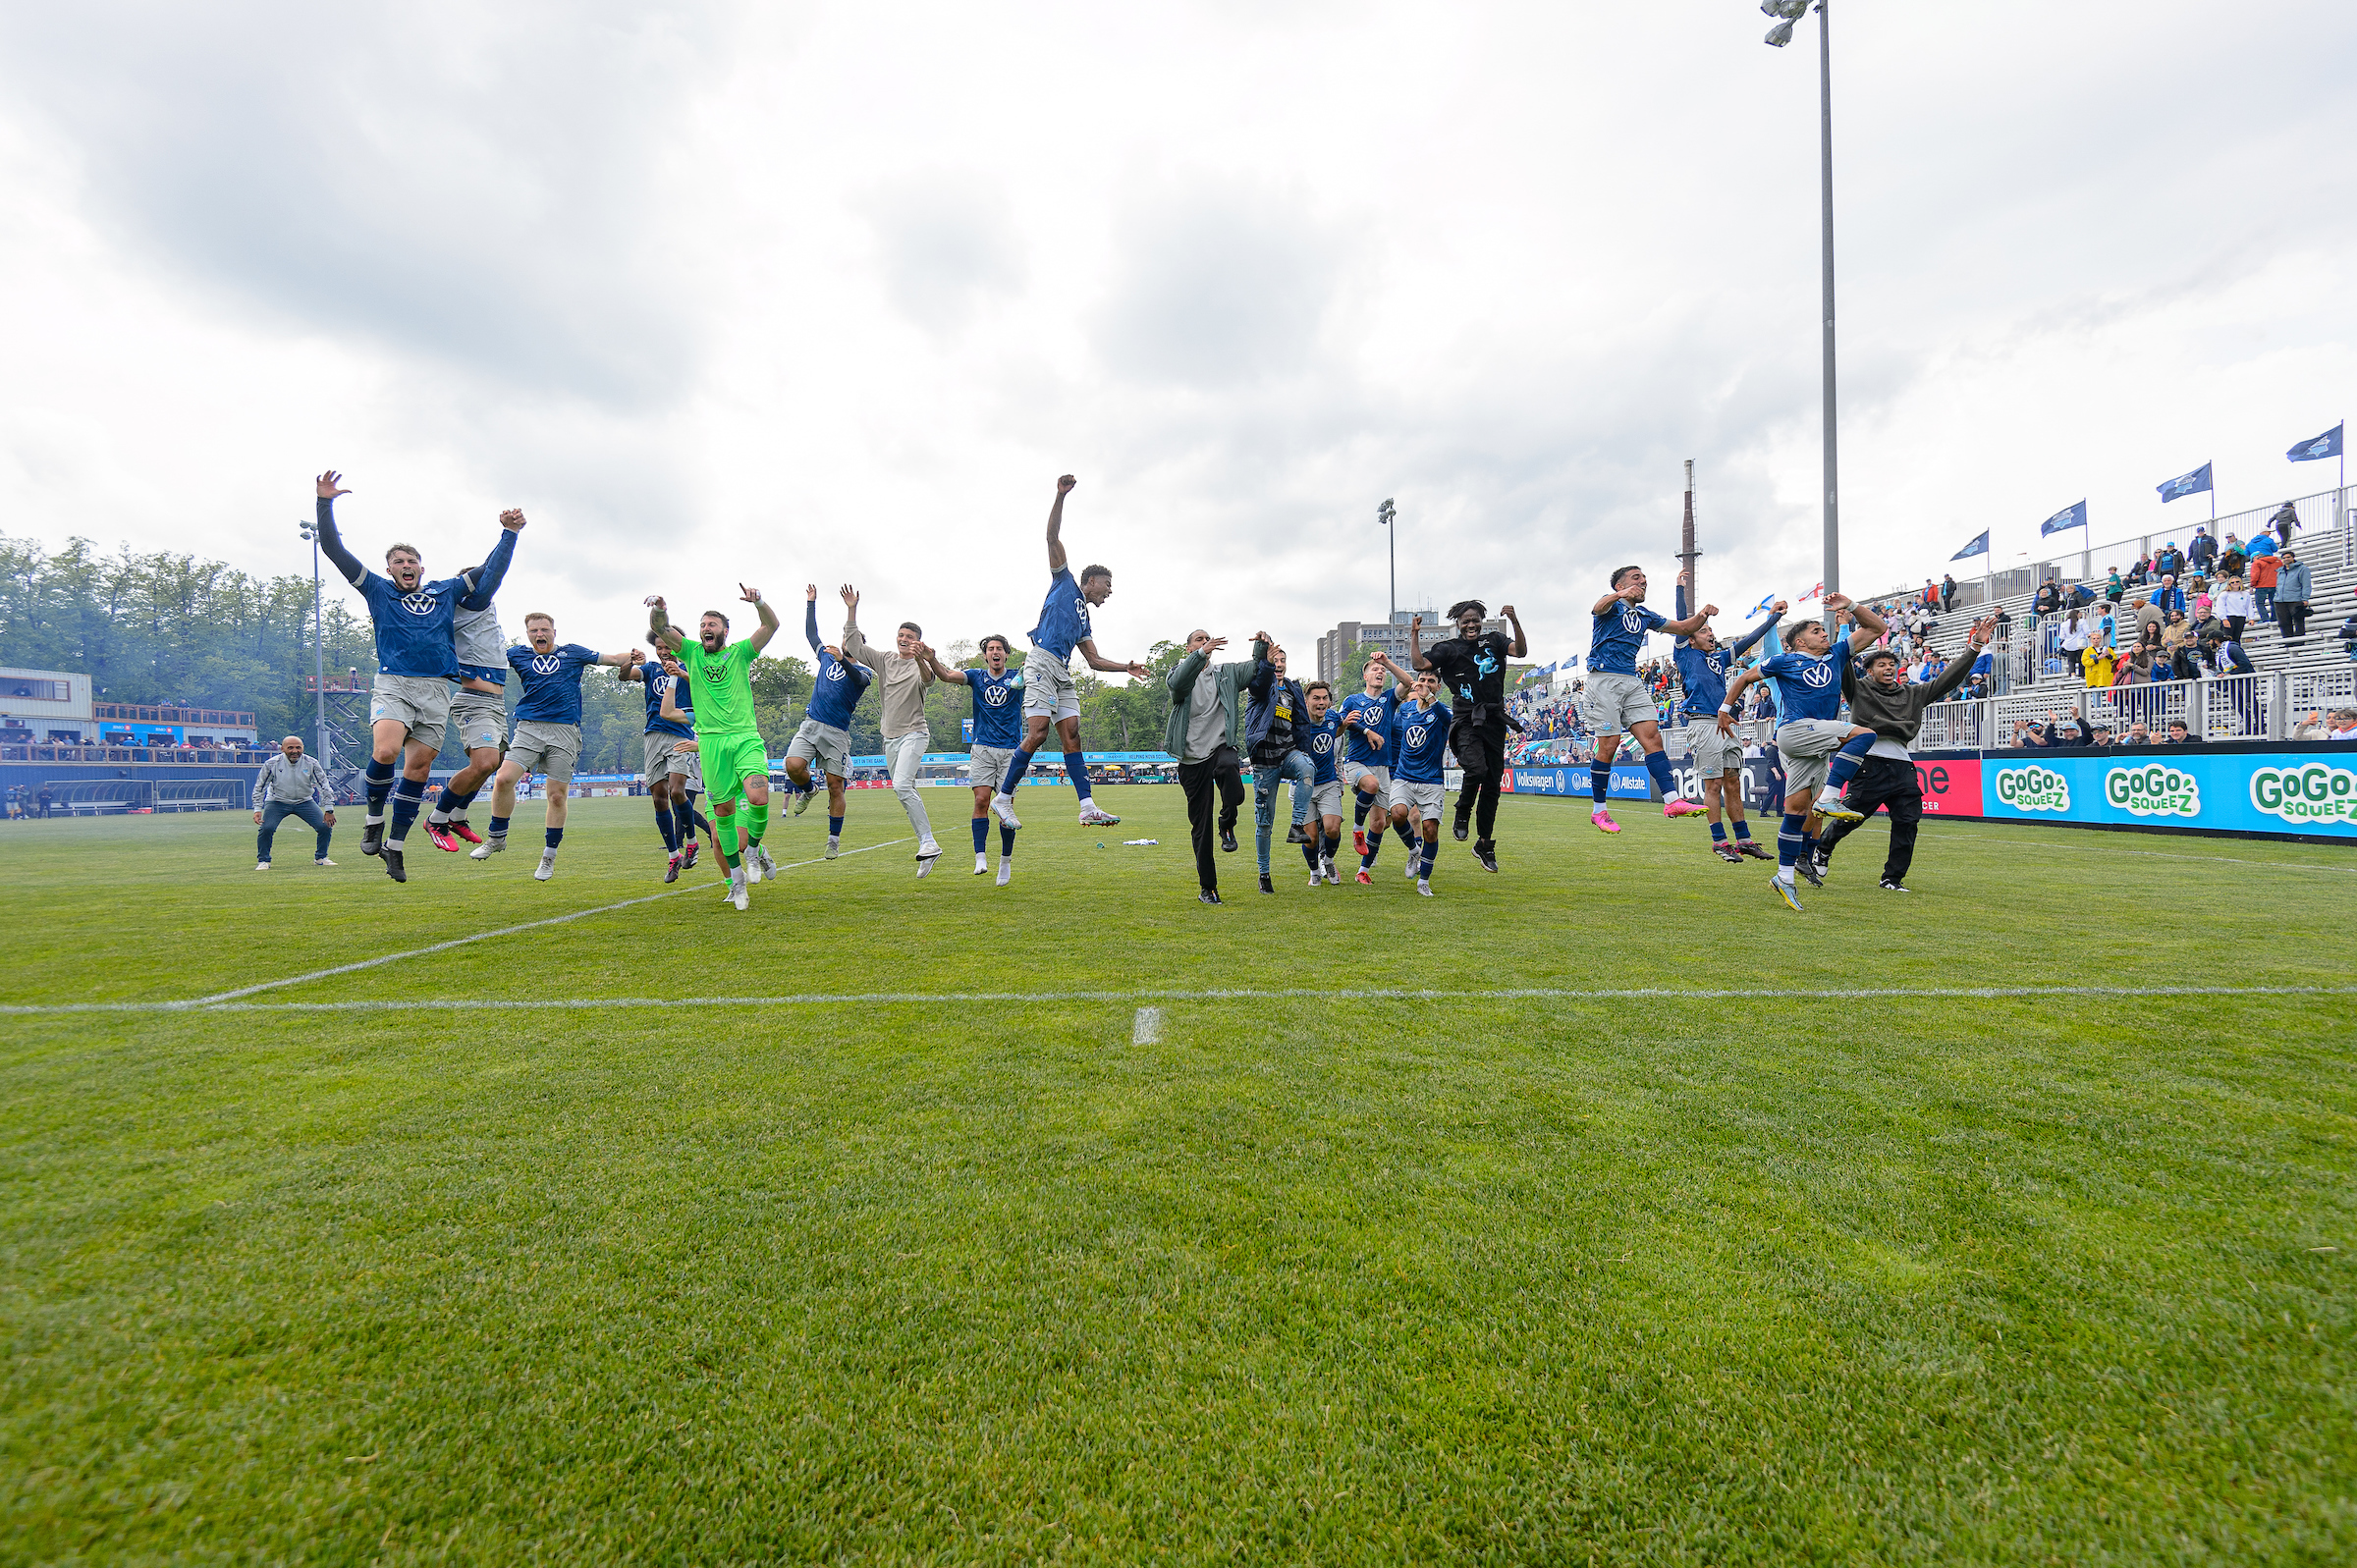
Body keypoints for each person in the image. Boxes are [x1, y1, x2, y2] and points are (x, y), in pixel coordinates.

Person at [310, 471, 521, 882]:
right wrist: (325, 503)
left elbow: (490, 574)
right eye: (398, 562)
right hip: (395, 682)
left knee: (419, 770)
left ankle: (396, 847)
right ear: (388, 569)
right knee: (386, 752)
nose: (405, 566)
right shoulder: (376, 589)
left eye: (411, 561)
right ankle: (374, 821)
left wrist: (509, 533)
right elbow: (335, 550)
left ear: (421, 567)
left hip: (436, 690)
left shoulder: (443, 591)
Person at [987, 475, 1152, 832]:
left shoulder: (1084, 620)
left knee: (1073, 733)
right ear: (1090, 581)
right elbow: (1051, 537)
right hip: (1041, 662)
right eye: (1107, 586)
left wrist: (1127, 667)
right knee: (1039, 732)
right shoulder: (1064, 582)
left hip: (1061, 671)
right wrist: (1060, 496)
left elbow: (1093, 660)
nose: (1109, 592)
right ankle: (1004, 796)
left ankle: (1088, 806)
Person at [1717, 595, 1886, 913]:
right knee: (1865, 735)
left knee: (1795, 811)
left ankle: (1784, 877)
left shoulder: (1836, 654)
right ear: (1797, 642)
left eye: (1824, 630)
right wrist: (1725, 709)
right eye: (1816, 631)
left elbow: (1877, 627)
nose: (1824, 633)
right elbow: (1743, 677)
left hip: (1814, 741)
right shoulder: (1784, 661)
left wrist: (1850, 606)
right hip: (1794, 731)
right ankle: (1830, 797)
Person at [1814, 616, 1995, 891]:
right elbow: (1842, 659)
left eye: (1891, 665)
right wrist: (1843, 626)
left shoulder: (1913, 694)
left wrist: (1974, 647)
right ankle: (1824, 847)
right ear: (1870, 671)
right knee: (1852, 816)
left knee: (1907, 822)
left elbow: (1949, 679)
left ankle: (1892, 879)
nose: (1888, 668)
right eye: (1881, 665)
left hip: (1903, 766)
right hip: (1869, 762)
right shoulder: (1858, 689)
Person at [469, 615, 635, 881]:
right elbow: (482, 656)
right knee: (503, 778)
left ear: (554, 632)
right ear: (527, 634)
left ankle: (548, 856)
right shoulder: (516, 654)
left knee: (556, 796)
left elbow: (614, 659)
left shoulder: (573, 653)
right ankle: (496, 838)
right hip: (528, 727)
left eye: (544, 629)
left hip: (565, 730)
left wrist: (633, 655)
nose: (539, 634)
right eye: (533, 630)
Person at [646, 586, 781, 912]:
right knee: (722, 814)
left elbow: (770, 627)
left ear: (724, 631)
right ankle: (735, 881)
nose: (707, 628)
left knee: (759, 797)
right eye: (703, 624)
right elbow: (660, 628)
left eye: (713, 624)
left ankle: (754, 850)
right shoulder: (690, 652)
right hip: (711, 744)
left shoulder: (739, 653)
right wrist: (661, 609)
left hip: (745, 737)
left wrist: (759, 602)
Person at [1579, 568, 1711, 836]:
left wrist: (1703, 614)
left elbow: (1685, 628)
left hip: (1631, 679)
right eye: (1635, 578)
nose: (1643, 582)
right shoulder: (1611, 605)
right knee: (1609, 744)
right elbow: (1597, 607)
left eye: (1644, 578)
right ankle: (1599, 811)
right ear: (1619, 584)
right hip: (1603, 679)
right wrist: (1620, 594)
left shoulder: (1645, 615)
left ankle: (1672, 801)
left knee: (1653, 738)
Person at [1411, 598, 1530, 871]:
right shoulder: (1449, 649)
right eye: (1466, 621)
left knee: (1491, 785)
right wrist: (1415, 633)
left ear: (1481, 620)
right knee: (1475, 769)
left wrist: (1514, 621)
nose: (1471, 624)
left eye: (1475, 619)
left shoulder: (1496, 641)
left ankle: (1484, 845)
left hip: (1494, 719)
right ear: (1458, 624)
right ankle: (1462, 810)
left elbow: (1521, 652)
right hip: (1466, 719)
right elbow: (1419, 664)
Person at [1672, 577, 1783, 862]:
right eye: (1704, 630)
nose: (1710, 633)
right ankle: (1720, 843)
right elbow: (1682, 620)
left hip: (1724, 723)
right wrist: (1681, 590)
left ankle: (1744, 840)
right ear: (1692, 636)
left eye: (1711, 630)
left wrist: (1774, 618)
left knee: (1732, 781)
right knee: (1714, 785)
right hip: (1702, 723)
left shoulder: (1719, 658)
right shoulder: (1685, 654)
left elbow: (1748, 640)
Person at [840, 585, 942, 877]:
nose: (904, 640)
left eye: (910, 637)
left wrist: (923, 657)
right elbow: (855, 648)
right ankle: (927, 846)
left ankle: (929, 842)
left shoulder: (921, 664)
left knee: (900, 785)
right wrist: (852, 609)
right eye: (901, 635)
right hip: (890, 738)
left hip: (915, 733)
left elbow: (929, 678)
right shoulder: (884, 659)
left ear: (918, 642)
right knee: (902, 791)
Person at [1161, 629, 1260, 903]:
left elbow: (1252, 668)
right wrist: (1199, 656)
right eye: (1199, 640)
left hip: (1220, 748)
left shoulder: (1225, 674)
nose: (1205, 643)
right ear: (1189, 647)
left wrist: (1262, 648)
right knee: (1200, 827)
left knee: (1231, 773)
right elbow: (1179, 684)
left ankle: (1227, 823)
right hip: (1191, 761)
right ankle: (1208, 887)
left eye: (1207, 639)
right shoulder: (1178, 674)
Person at [924, 633, 1027, 884]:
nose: (995, 652)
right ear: (985, 655)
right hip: (982, 747)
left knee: (1006, 810)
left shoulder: (1017, 677)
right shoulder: (976, 677)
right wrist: (932, 659)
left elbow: (1041, 681)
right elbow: (947, 676)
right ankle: (980, 856)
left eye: (999, 649)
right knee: (981, 800)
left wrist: (1034, 669)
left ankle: (1005, 861)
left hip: (1011, 750)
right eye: (991, 649)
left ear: (1006, 654)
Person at [783, 585, 874, 862]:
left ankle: (833, 841)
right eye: (844, 637)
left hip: (836, 733)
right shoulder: (826, 655)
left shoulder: (863, 670)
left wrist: (842, 661)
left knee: (836, 785)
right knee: (792, 765)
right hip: (811, 723)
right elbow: (812, 634)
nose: (845, 641)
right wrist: (811, 602)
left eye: (851, 638)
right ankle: (810, 789)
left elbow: (856, 681)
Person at [618, 641, 709, 883]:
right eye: (659, 647)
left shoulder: (691, 666)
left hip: (681, 734)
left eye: (668, 646)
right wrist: (631, 660)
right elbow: (624, 676)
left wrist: (682, 673)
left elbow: (705, 688)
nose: (663, 651)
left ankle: (692, 842)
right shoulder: (649, 670)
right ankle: (673, 856)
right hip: (653, 736)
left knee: (678, 792)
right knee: (659, 798)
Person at [1242, 641, 1317, 895]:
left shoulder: (1293, 689)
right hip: (1264, 760)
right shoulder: (1261, 688)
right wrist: (1264, 658)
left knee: (1307, 767)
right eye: (1275, 660)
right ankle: (1264, 873)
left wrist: (1303, 747)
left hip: (1287, 753)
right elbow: (1260, 681)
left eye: (1283, 660)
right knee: (1264, 822)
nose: (1280, 664)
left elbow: (1302, 722)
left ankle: (1297, 826)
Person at [1338, 652, 1407, 882]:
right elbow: (1340, 725)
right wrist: (1366, 731)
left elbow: (1408, 682)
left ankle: (1363, 871)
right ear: (1365, 676)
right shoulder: (1353, 700)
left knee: (1378, 823)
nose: (1380, 672)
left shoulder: (1389, 699)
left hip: (1382, 765)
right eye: (1376, 669)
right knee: (1371, 785)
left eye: (1383, 671)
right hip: (1357, 761)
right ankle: (1357, 828)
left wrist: (1387, 661)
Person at [1384, 671, 1453, 897]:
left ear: (1438, 688)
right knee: (1397, 814)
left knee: (1430, 829)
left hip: (1431, 781)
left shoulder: (1443, 712)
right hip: (1404, 776)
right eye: (1421, 681)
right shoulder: (1405, 709)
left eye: (1430, 682)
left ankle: (1424, 881)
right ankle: (1414, 851)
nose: (1424, 685)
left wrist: (1429, 698)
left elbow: (1449, 721)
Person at [251, 734, 336, 869]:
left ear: (303, 748)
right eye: (290, 748)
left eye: (298, 747)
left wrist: (329, 809)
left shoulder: (311, 763)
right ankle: (263, 860)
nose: (294, 751)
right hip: (277, 801)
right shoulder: (272, 764)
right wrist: (257, 809)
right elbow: (260, 786)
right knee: (267, 828)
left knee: (325, 826)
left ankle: (321, 857)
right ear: (282, 749)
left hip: (304, 801)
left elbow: (324, 785)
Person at [1295, 679, 1346, 885]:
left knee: (1333, 828)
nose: (1321, 702)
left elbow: (1340, 729)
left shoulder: (1333, 717)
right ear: (1306, 701)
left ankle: (1329, 861)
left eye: (1325, 698)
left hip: (1328, 783)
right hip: (1303, 785)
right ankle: (1314, 871)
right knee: (1311, 837)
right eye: (1316, 698)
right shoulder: (1297, 721)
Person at [2275, 550, 2312, 641]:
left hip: (2295, 599)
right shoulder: (2280, 571)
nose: (2286, 559)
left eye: (2288, 557)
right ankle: (2288, 641)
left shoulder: (2303, 569)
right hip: (2280, 600)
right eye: (2284, 558)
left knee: (2298, 621)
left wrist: (2305, 598)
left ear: (2293, 558)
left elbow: (2306, 584)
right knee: (2283, 622)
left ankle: (2299, 641)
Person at [2250, 543, 2281, 625]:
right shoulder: (2277, 561)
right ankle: (2275, 618)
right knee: (2273, 602)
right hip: (2275, 584)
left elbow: (2255, 575)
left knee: (2260, 603)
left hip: (2261, 585)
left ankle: (2265, 619)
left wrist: (2252, 585)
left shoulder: (2257, 563)